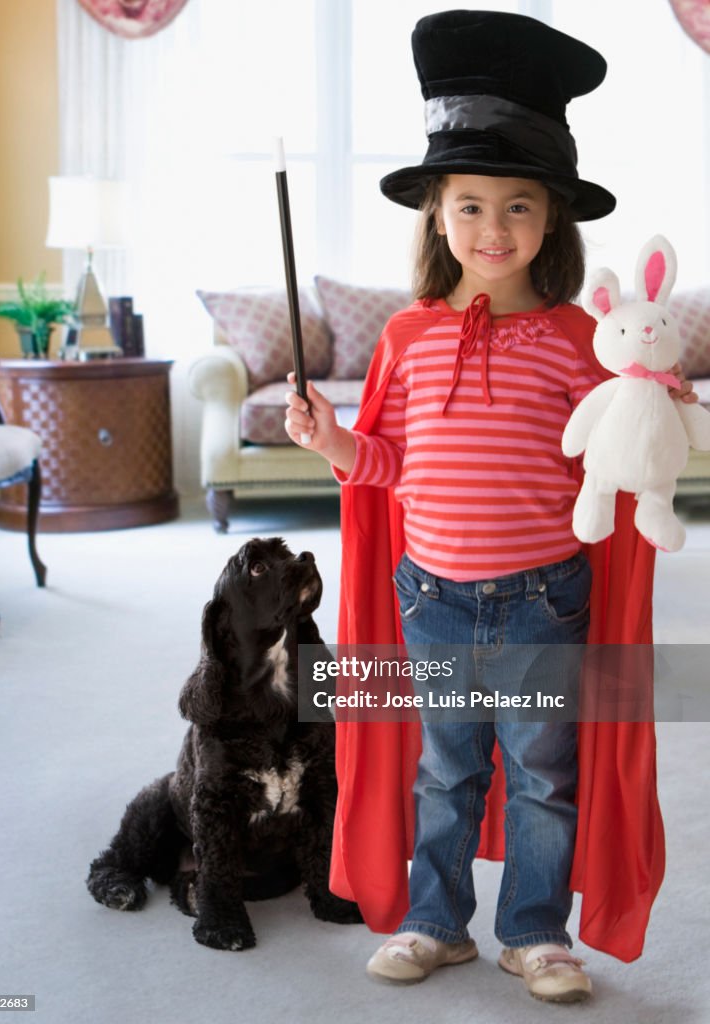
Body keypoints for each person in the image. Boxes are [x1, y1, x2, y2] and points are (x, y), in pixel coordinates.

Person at [285, 11, 695, 1004]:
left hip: (543, 598)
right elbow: (388, 462)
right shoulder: (408, 335)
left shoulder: (573, 339)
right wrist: (333, 442)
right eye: (470, 205)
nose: (493, 229)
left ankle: (534, 932)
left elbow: (614, 436)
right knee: (442, 769)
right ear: (435, 213)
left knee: (543, 772)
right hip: (429, 595)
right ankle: (436, 921)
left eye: (519, 207)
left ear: (552, 220)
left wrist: (655, 404)